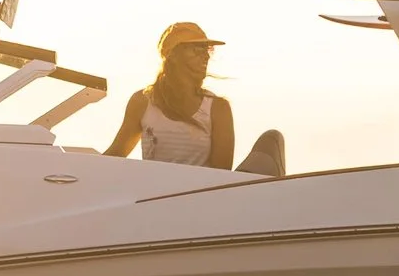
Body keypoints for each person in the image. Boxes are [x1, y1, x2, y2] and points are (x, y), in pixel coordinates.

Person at [103, 22, 286, 174]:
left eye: (207, 50)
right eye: (197, 49)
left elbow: (220, 176)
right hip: (154, 198)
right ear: (173, 55)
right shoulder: (142, 102)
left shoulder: (218, 108)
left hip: (197, 200)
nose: (205, 56)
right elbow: (115, 155)